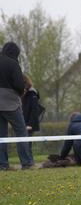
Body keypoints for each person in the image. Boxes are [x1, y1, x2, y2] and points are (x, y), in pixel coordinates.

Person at [0, 42, 35, 170]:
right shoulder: (13, 63)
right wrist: (20, 93)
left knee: (1, 136)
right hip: (10, 103)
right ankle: (26, 163)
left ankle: (2, 165)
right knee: (21, 131)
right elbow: (20, 85)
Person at [22, 75, 41, 157]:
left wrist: (30, 124)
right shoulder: (26, 93)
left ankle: (30, 162)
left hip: (29, 124)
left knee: (27, 144)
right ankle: (29, 162)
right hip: (24, 122)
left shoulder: (32, 93)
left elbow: (34, 110)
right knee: (25, 144)